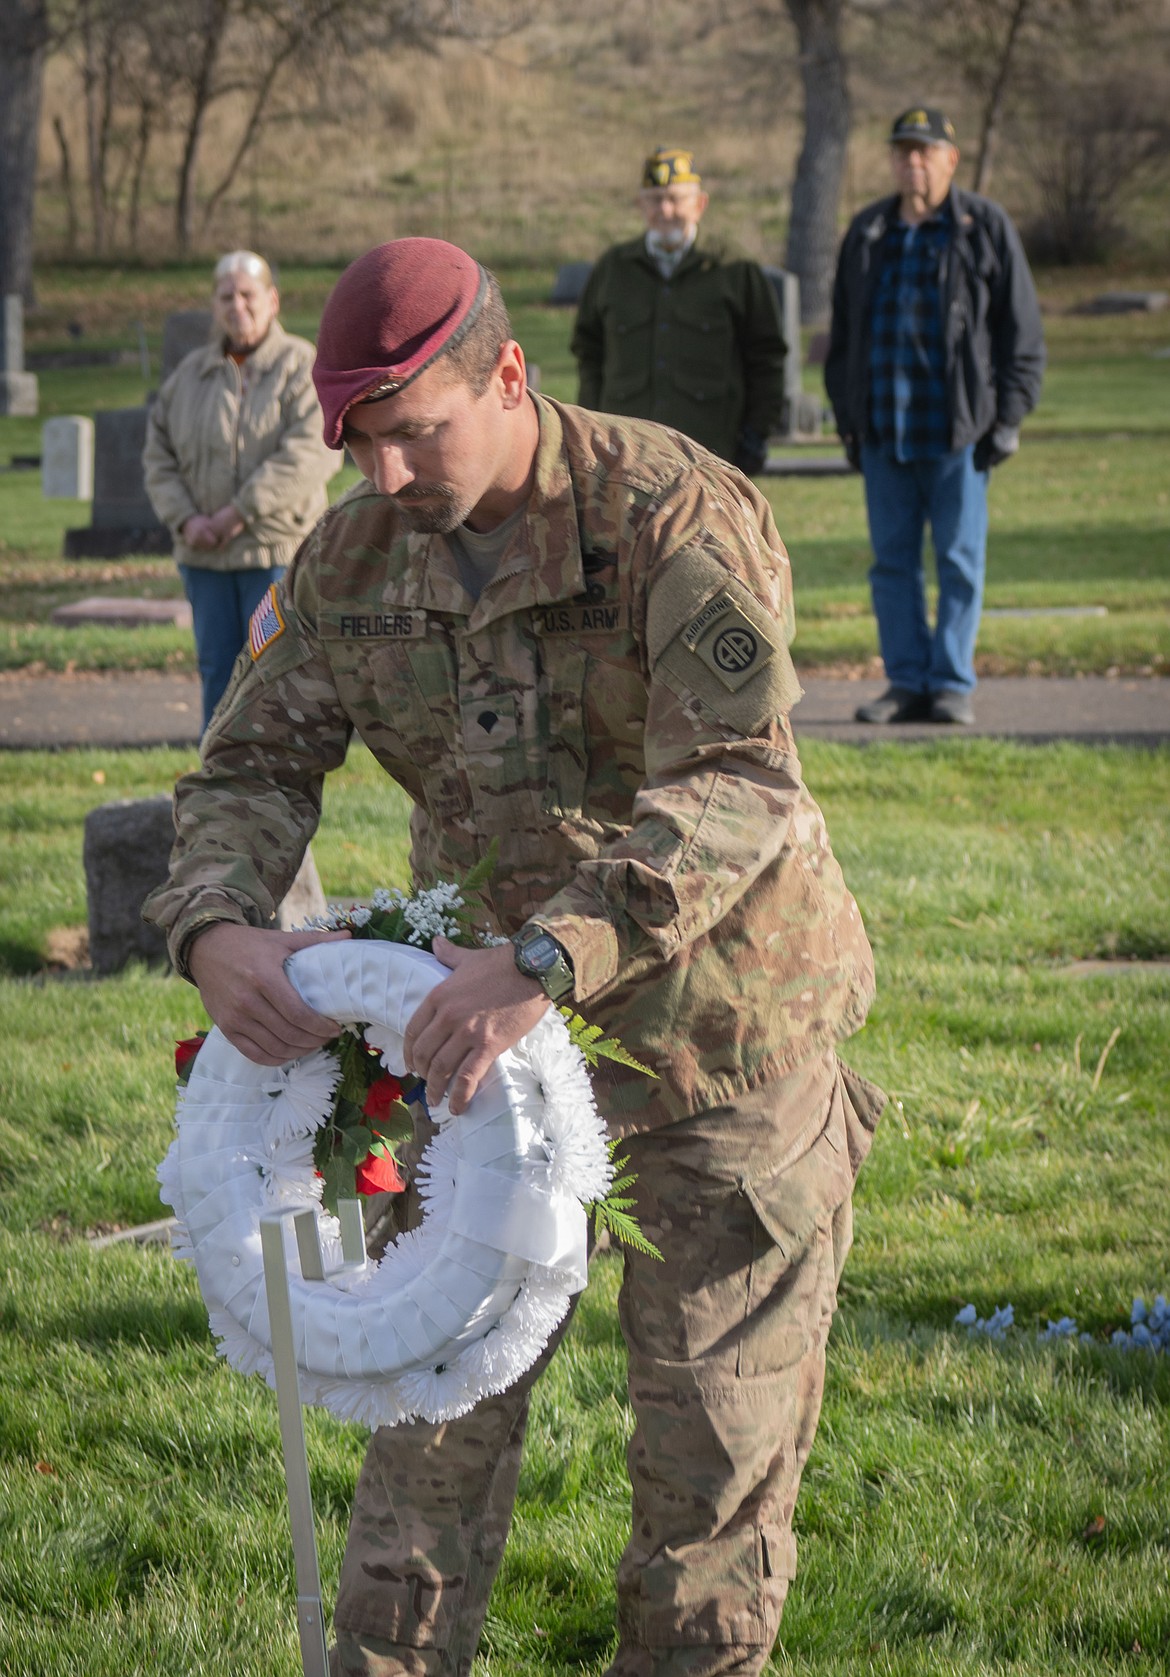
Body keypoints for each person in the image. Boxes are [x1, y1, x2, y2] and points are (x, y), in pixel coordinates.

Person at [144, 237, 886, 1677]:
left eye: (413, 434)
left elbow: (739, 783)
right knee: (420, 1423)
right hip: (471, 1056)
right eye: (357, 443)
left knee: (710, 1470)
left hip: (715, 1039)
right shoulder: (352, 553)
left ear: (508, 375)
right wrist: (214, 923)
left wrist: (546, 958)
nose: (386, 478)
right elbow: (246, 767)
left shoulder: (673, 512)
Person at [824, 107, 1045, 726]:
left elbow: (1021, 332)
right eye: (902, 151)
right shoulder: (868, 230)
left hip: (959, 433)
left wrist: (1008, 418)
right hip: (884, 432)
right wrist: (848, 418)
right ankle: (905, 682)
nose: (911, 162)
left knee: (958, 562)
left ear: (952, 158)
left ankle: (950, 683)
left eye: (924, 151)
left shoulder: (983, 226)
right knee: (891, 564)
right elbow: (843, 335)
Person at [143, 249, 340, 730]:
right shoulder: (190, 376)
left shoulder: (300, 366)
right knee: (217, 675)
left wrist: (238, 513)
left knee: (274, 676)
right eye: (226, 296)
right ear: (215, 305)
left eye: (248, 295)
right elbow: (158, 457)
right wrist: (187, 519)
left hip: (271, 555)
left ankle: (274, 788)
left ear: (272, 300)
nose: (238, 306)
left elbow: (312, 452)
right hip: (204, 557)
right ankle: (219, 784)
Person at [572, 147, 786, 474]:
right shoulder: (612, 270)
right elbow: (589, 352)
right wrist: (590, 425)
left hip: (709, 458)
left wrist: (757, 434)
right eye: (655, 199)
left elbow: (766, 356)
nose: (665, 210)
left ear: (700, 205)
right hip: (626, 460)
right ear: (640, 205)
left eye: (675, 198)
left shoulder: (733, 269)